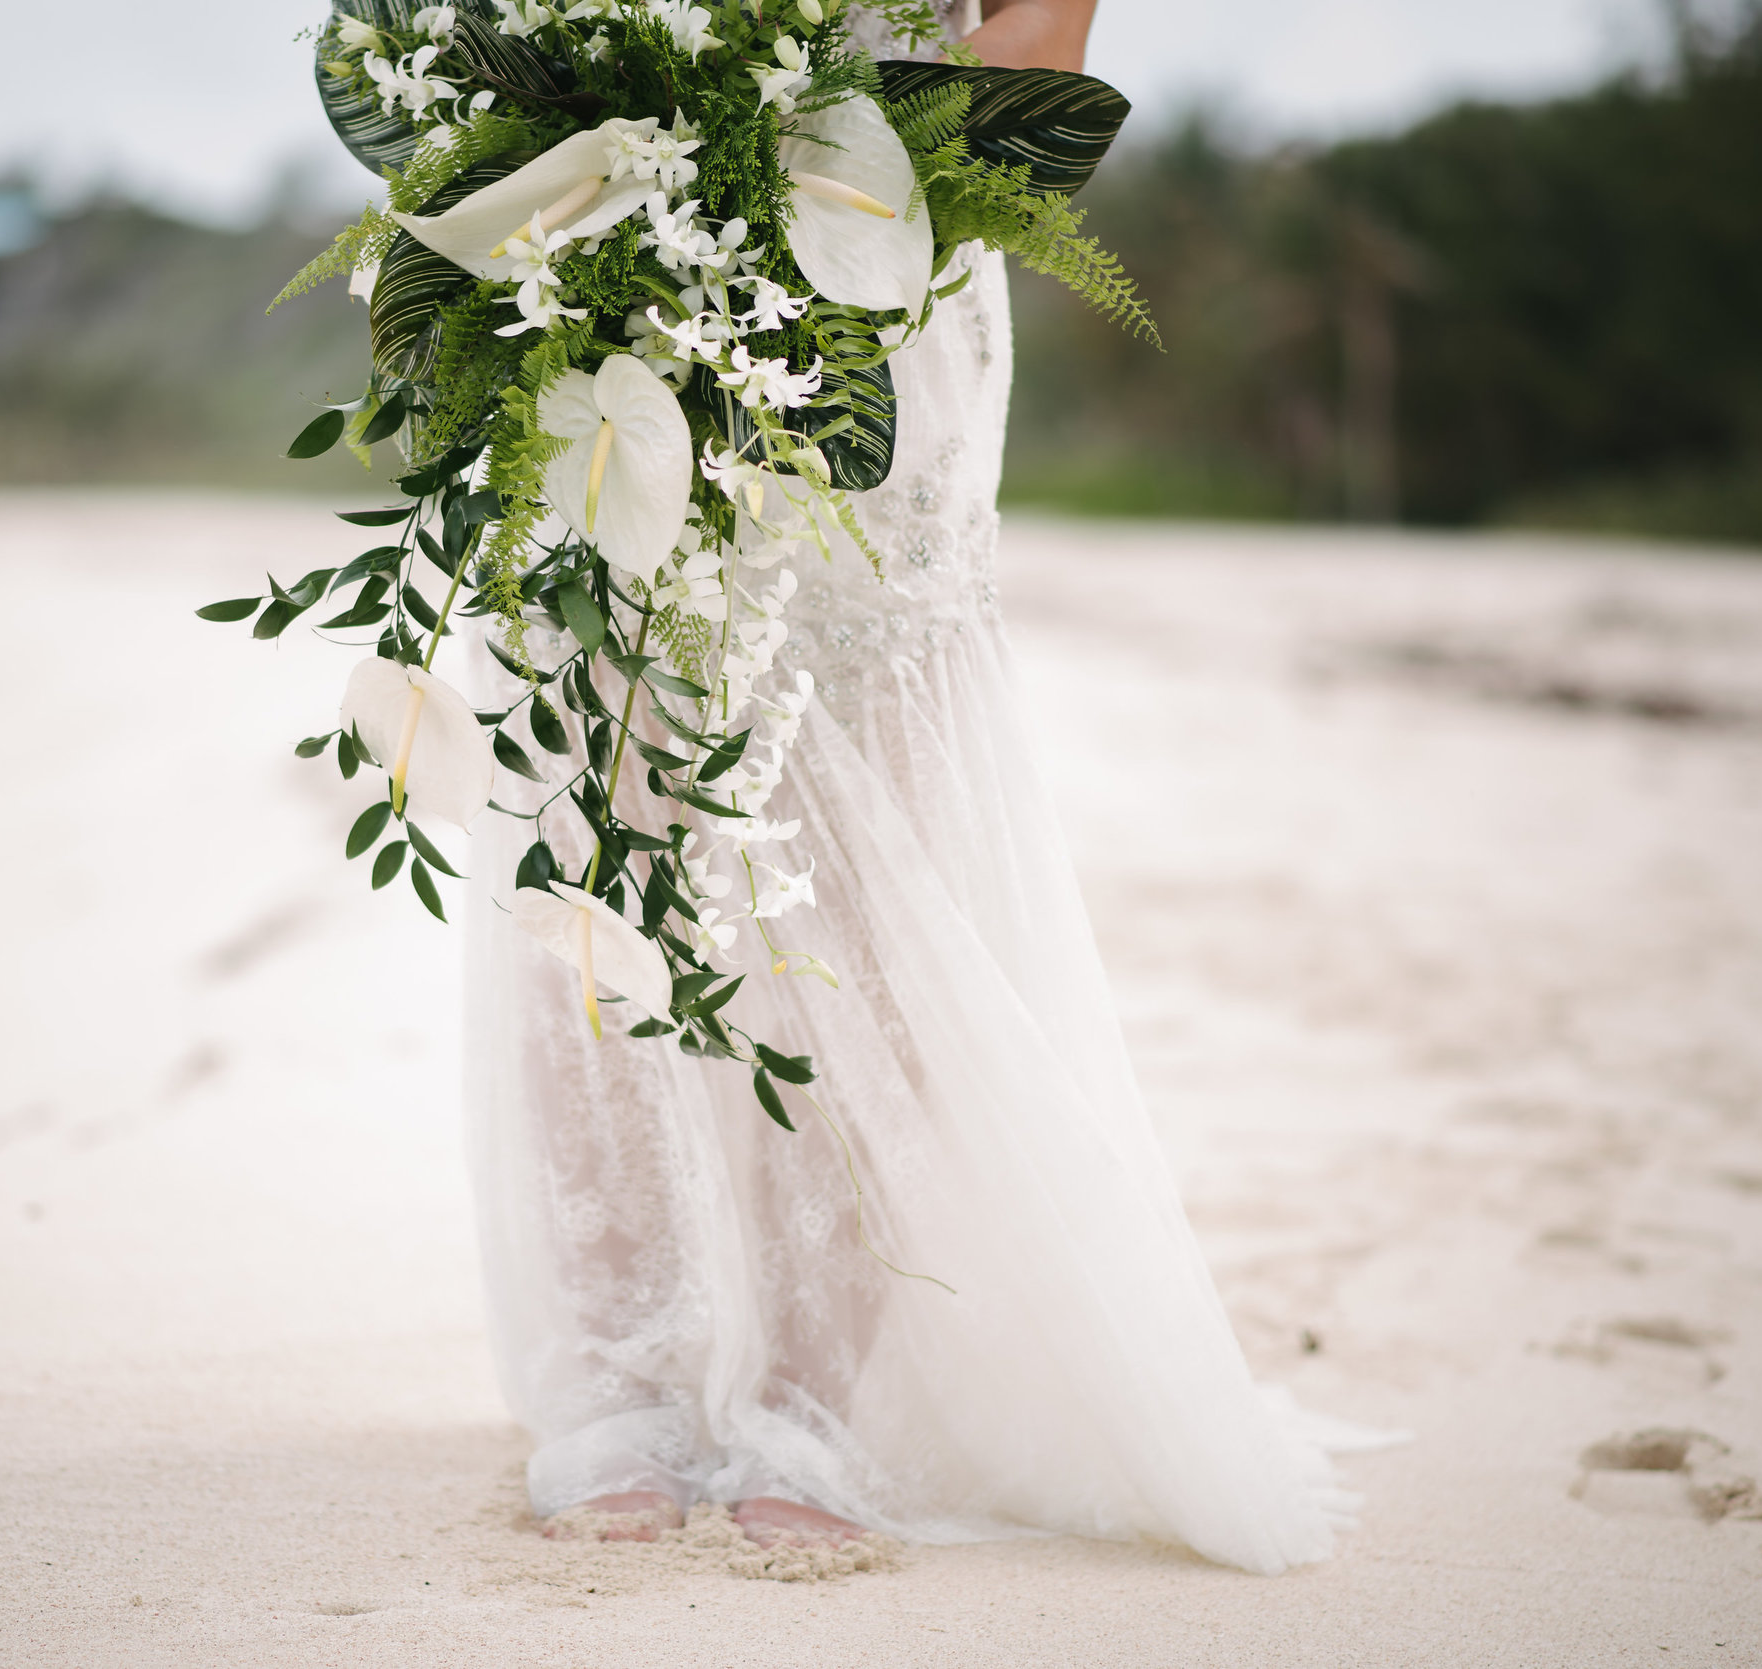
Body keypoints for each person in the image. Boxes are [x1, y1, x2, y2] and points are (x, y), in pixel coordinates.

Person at [464, 0, 1391, 1573]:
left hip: (867, 265)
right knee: (587, 789)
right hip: (582, 235)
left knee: (856, 828)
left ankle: (814, 1397)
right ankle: (619, 1377)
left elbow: (1035, 55)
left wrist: (816, 170)